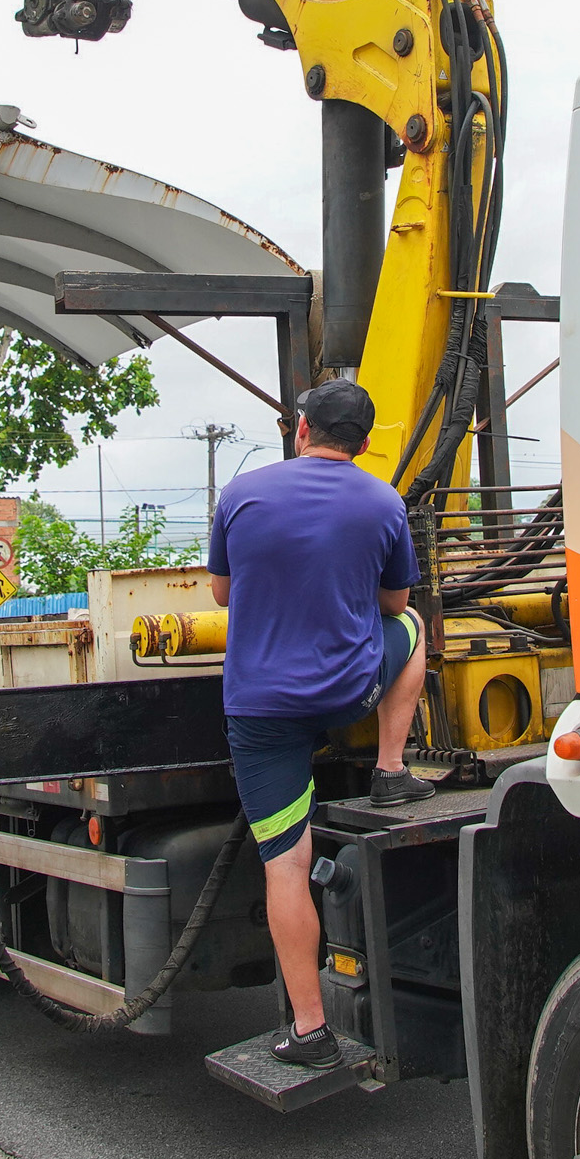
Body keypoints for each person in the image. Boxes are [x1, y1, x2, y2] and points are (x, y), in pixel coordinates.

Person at [206, 379, 430, 1072]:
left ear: (301, 431)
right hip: (346, 693)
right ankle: (390, 769)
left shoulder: (240, 494)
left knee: (288, 865)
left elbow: (222, 592)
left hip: (261, 709)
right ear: (364, 444)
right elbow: (395, 599)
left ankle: (309, 1030)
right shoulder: (384, 500)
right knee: (414, 628)